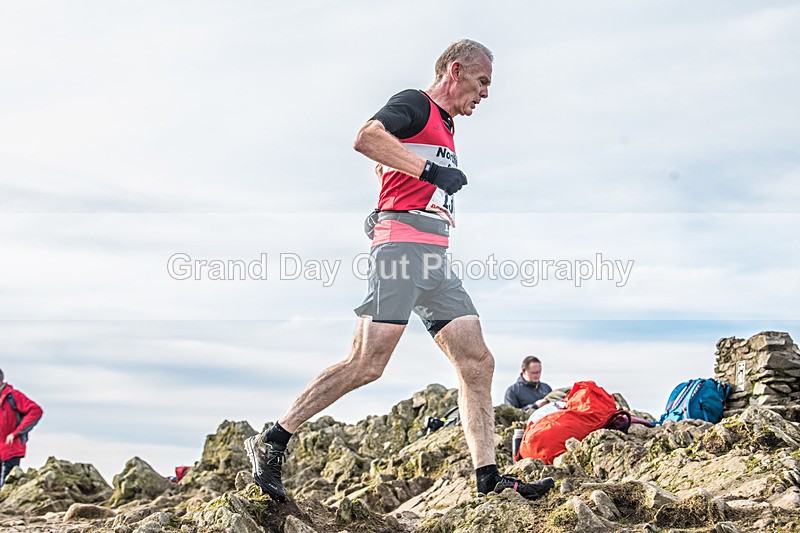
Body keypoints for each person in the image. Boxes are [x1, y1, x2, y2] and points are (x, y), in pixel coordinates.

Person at [245, 39, 554, 502]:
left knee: (478, 362)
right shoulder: (416, 103)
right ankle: (272, 440)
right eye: (482, 81)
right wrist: (428, 174)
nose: (486, 94)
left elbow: (385, 166)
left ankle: (488, 478)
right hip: (401, 252)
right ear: (456, 70)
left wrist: (389, 197)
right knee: (368, 363)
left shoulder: (447, 127)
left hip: (435, 260)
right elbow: (367, 138)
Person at [0, 368, 43, 488]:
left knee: (5, 486)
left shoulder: (13, 396)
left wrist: (16, 433)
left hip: (11, 449)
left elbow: (35, 411)